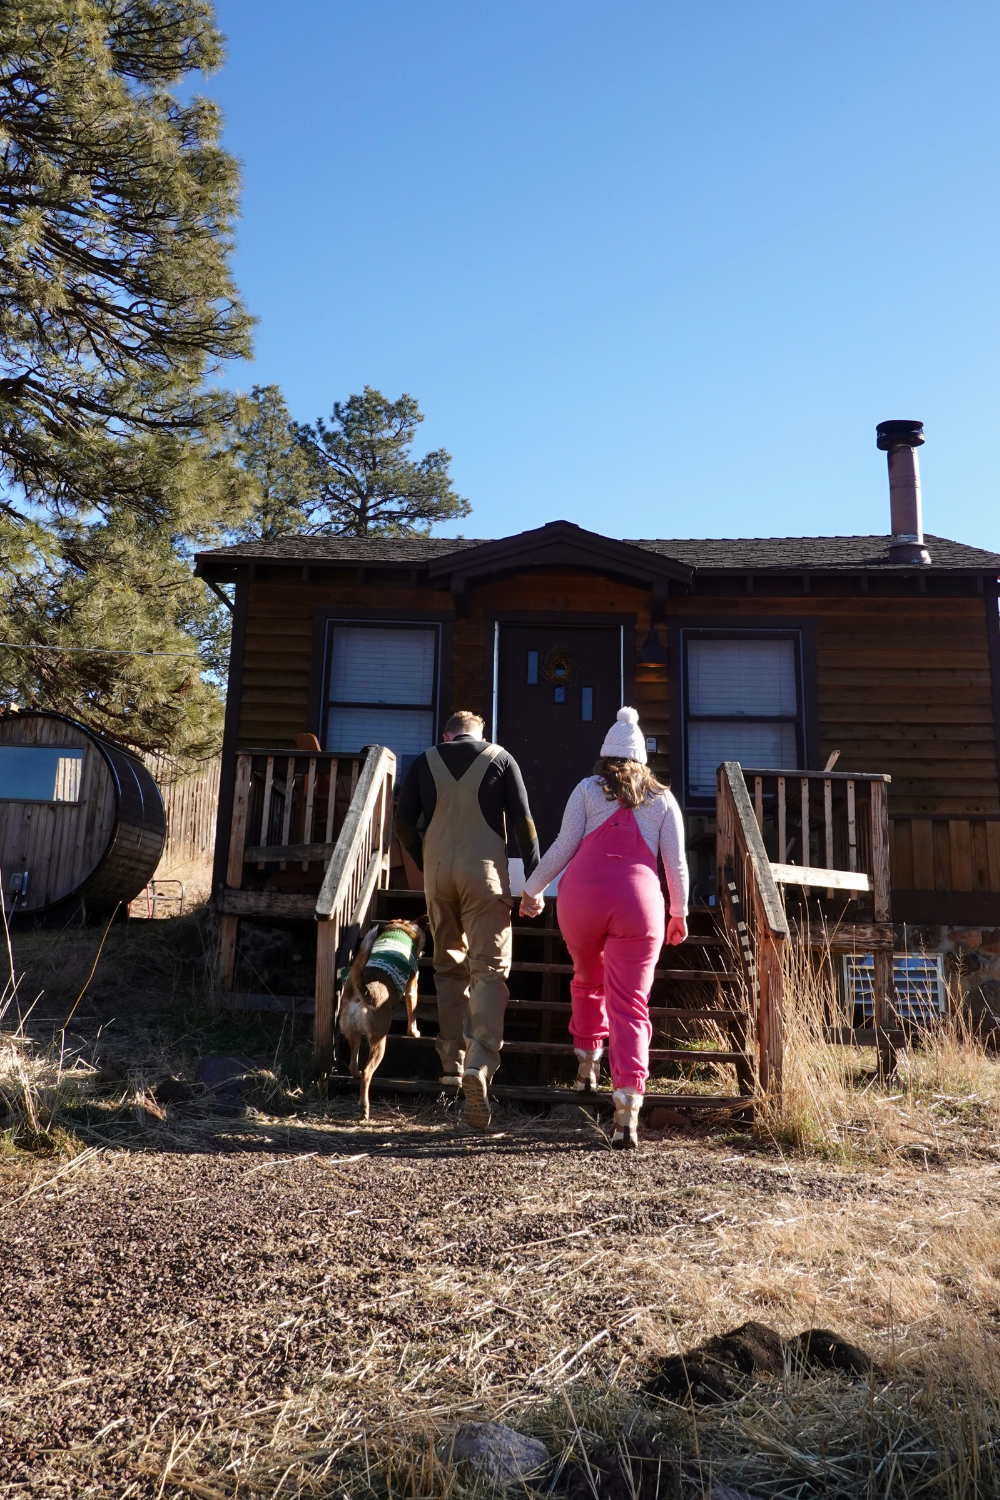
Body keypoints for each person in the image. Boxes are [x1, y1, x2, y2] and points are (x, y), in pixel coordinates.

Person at [519, 707, 689, 1149]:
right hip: (639, 903)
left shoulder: (586, 789)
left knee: (587, 979)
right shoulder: (663, 799)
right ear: (642, 759)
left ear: (605, 756)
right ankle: (628, 1107)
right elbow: (675, 863)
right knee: (631, 1005)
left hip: (582, 898)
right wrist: (679, 912)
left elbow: (563, 845)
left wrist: (532, 889)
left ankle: (586, 1065)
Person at [394, 711, 541, 1129]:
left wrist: (426, 858)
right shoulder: (500, 758)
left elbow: (404, 825)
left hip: (438, 874)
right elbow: (524, 823)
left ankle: (450, 1065)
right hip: (485, 876)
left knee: (447, 965)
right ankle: (479, 1064)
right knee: (489, 971)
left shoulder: (425, 760)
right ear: (480, 734)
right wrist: (534, 880)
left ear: (447, 735)